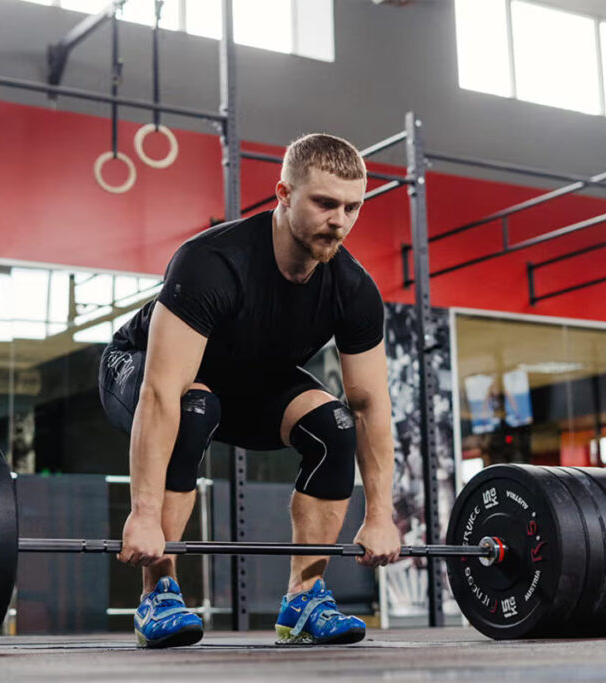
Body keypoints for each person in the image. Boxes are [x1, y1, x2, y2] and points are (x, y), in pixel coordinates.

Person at [98, 133, 401, 649]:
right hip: (143, 371)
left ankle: (304, 599)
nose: (340, 220)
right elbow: (161, 392)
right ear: (283, 194)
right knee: (194, 406)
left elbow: (370, 404)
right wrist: (144, 516)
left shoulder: (353, 289)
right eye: (325, 203)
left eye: (352, 207)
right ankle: (159, 592)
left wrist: (380, 515)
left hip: (250, 380)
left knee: (335, 426)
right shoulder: (212, 263)